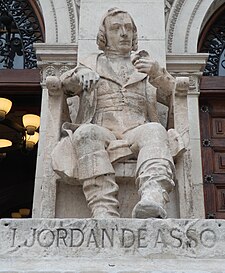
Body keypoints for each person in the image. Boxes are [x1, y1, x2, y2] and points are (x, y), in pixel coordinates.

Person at [57, 7, 176, 219]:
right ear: (104, 35)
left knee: (156, 130)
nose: (124, 33)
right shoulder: (91, 63)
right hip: (103, 128)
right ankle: (103, 208)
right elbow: (64, 85)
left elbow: (172, 94)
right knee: (85, 133)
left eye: (128, 28)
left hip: (137, 128)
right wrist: (79, 75)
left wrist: (157, 72)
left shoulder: (144, 64)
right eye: (116, 28)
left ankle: (153, 197)